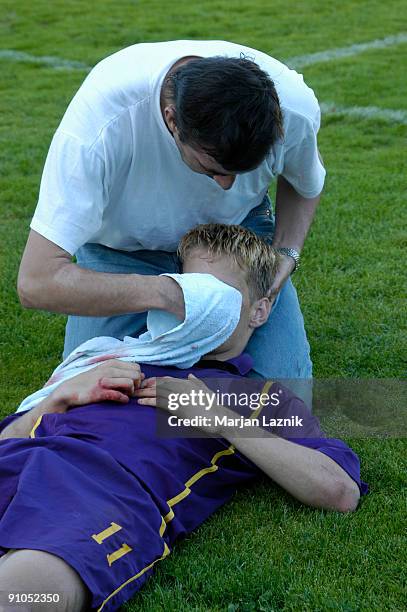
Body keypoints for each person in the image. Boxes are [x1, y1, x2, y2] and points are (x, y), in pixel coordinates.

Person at [0, 225, 366, 612]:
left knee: (18, 598)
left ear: (259, 310)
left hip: (100, 494)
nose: (191, 304)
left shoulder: (260, 398)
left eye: (213, 294)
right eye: (185, 289)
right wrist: (55, 401)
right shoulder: (109, 355)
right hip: (22, 459)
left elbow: (340, 492)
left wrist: (219, 418)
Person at [17, 40, 326, 384]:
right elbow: (36, 280)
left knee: (280, 400)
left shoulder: (292, 107)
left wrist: (285, 252)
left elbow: (304, 182)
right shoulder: (101, 126)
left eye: (242, 170)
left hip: (231, 240)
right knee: (98, 389)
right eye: (212, 168)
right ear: (172, 121)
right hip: (123, 250)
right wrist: (171, 294)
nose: (226, 186)